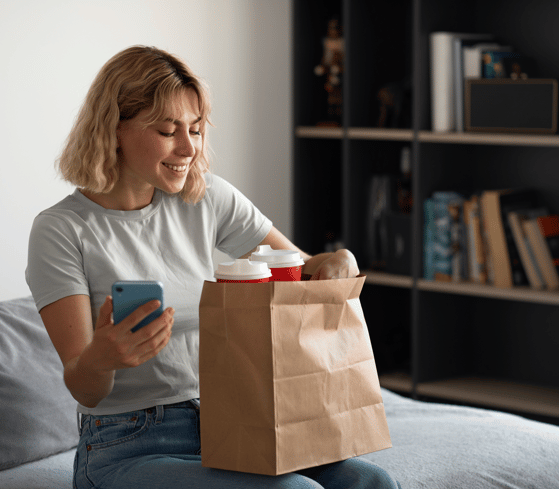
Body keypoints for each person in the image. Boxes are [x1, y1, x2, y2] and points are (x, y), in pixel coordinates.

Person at [26, 45, 401, 489]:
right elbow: (84, 386)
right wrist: (103, 359)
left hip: (230, 422)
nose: (188, 147)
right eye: (168, 131)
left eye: (196, 129)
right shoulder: (61, 230)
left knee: (371, 483)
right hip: (124, 445)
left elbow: (299, 267)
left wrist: (338, 260)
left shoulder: (205, 198)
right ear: (115, 129)